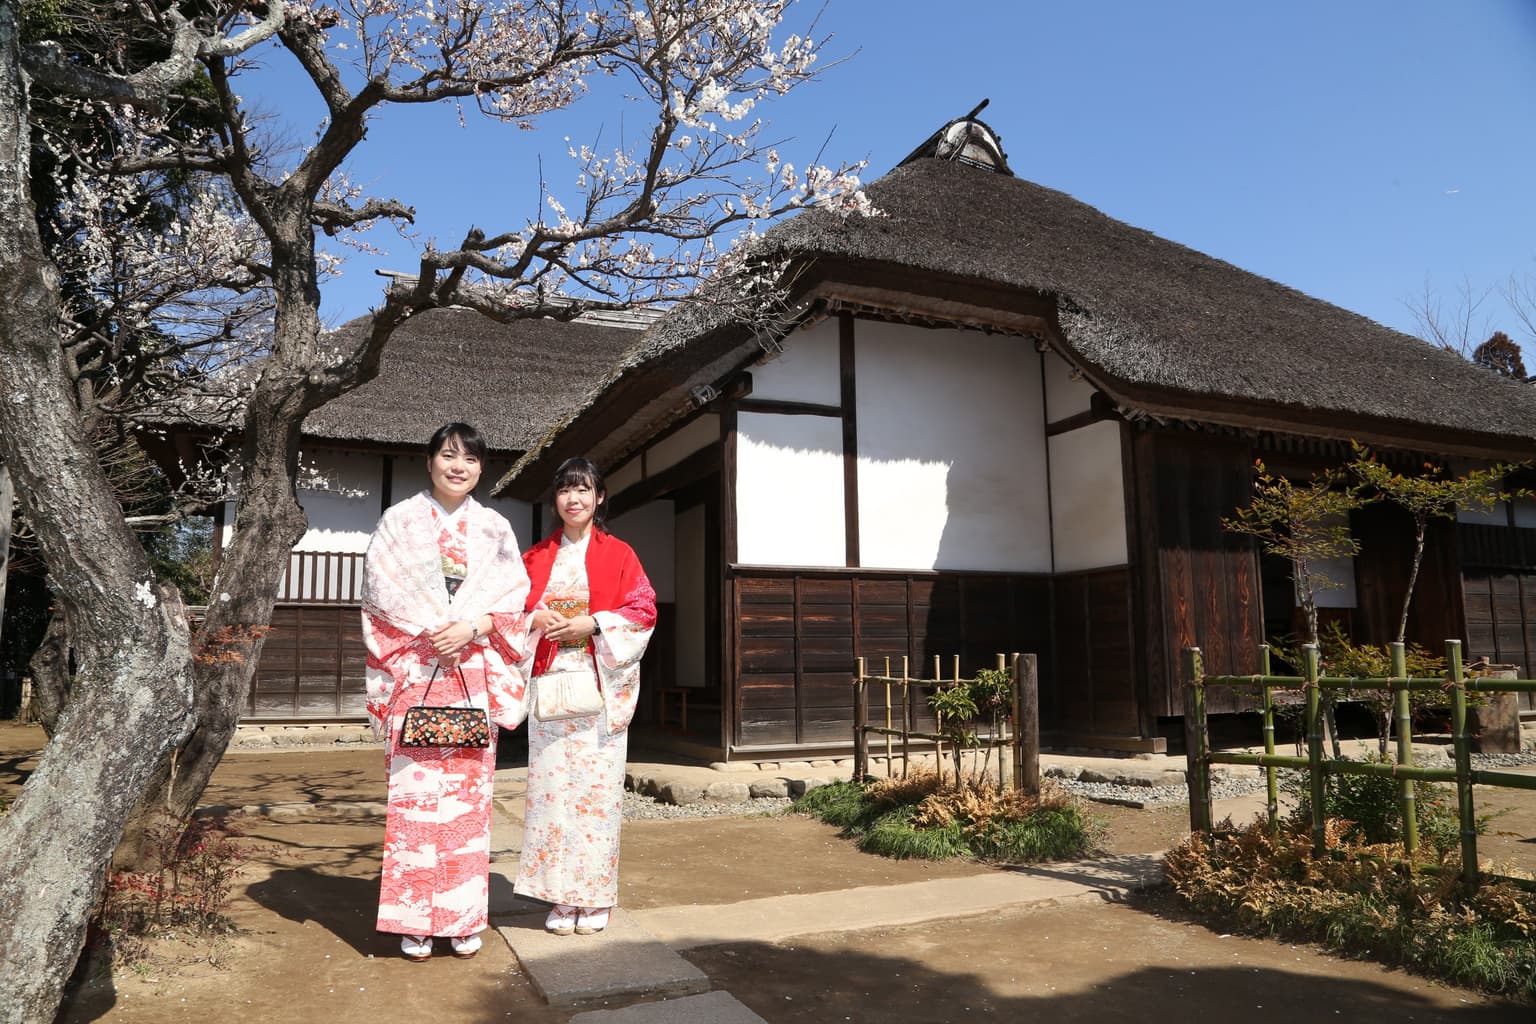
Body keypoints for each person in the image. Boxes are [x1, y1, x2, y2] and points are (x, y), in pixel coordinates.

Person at [361, 422, 531, 962]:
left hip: (471, 672)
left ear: (482, 468)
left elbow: (514, 602)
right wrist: (436, 634)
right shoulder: (399, 521)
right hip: (416, 670)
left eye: (471, 459)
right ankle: (414, 918)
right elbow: (381, 597)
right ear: (429, 460)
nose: (459, 467)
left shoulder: (495, 528)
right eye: (449, 455)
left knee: (467, 800)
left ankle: (460, 917)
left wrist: (471, 628)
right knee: (413, 797)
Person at [516, 457, 656, 936]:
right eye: (564, 490)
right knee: (551, 794)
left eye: (583, 490)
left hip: (598, 684)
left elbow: (643, 610)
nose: (573, 499)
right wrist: (534, 619)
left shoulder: (620, 554)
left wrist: (593, 623)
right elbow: (508, 614)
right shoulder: (535, 558)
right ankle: (559, 896)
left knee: (596, 796)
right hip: (551, 685)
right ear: (555, 499)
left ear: (599, 497)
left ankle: (593, 896)